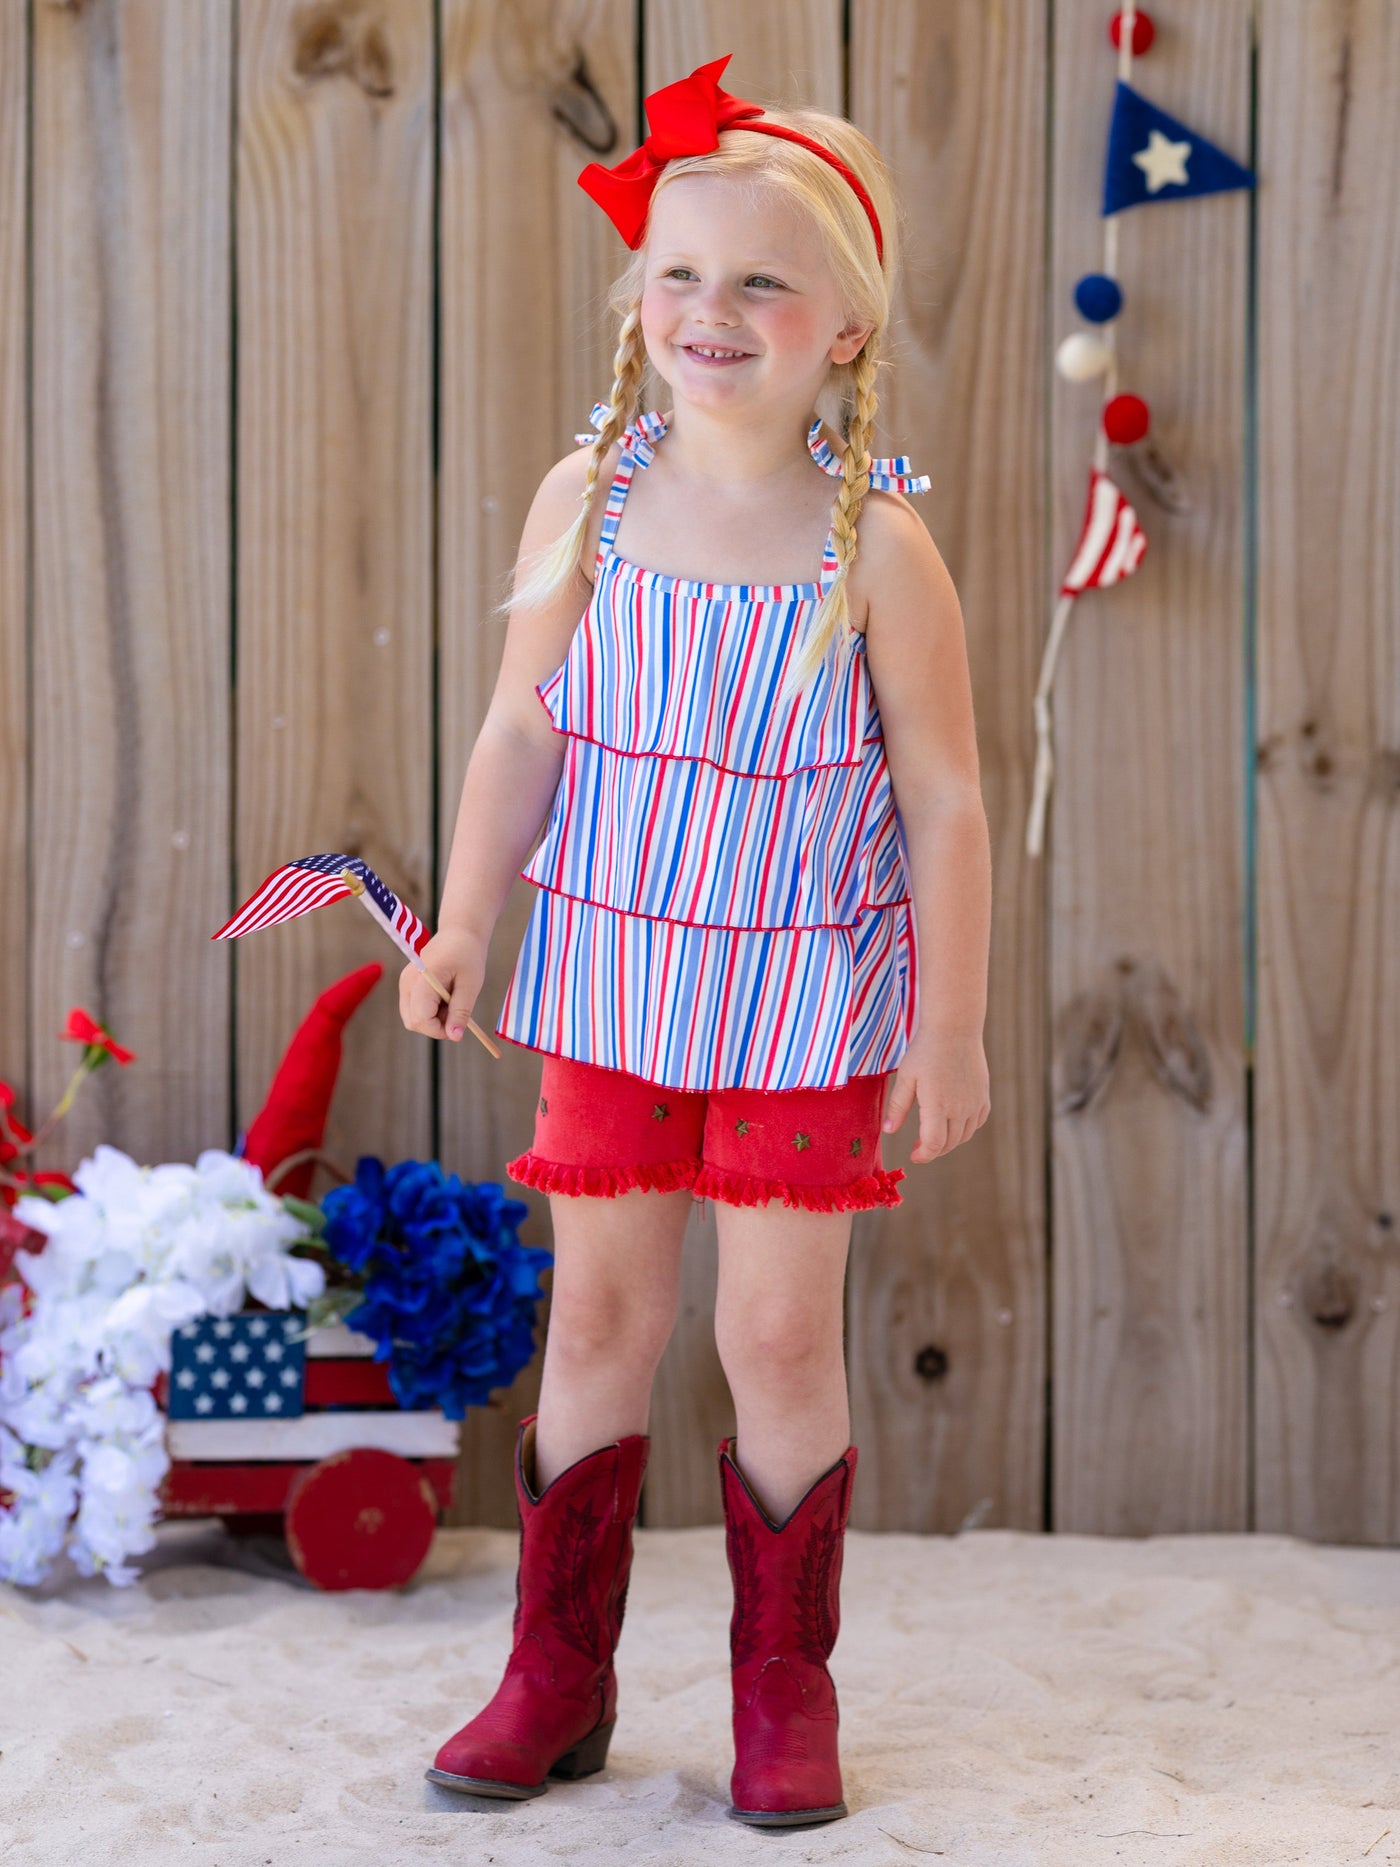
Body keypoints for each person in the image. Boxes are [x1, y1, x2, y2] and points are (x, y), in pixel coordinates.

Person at [401, 52, 990, 1828]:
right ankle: (554, 1673)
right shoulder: (588, 499)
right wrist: (468, 915)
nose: (711, 313)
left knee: (780, 1344)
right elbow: (521, 730)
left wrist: (948, 1032)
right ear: (635, 299)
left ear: (845, 332)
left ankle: (780, 1688)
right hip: (610, 984)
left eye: (761, 282)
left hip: (807, 998)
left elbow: (950, 802)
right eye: (679, 275)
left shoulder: (877, 545)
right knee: (597, 1316)